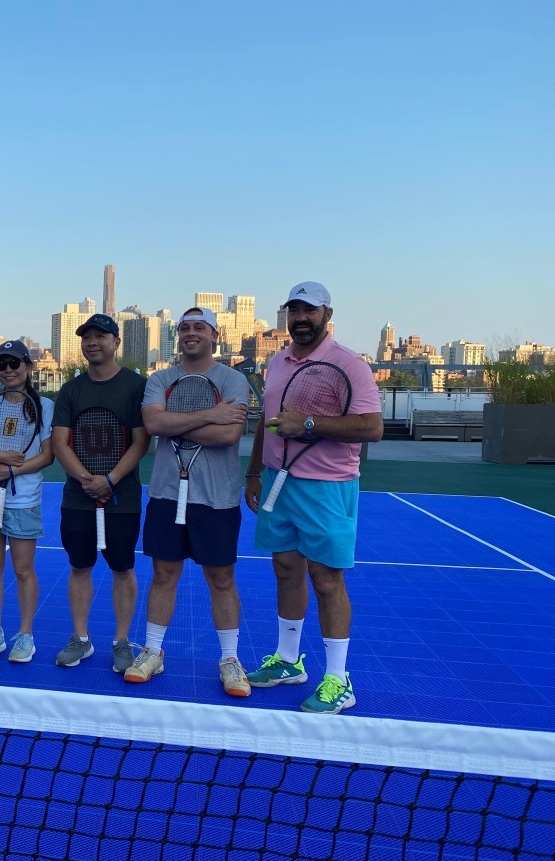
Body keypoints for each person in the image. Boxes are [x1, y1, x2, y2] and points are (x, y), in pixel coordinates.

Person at [244, 282, 383, 714]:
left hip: (326, 487)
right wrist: (254, 472)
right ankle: (288, 662)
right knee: (286, 569)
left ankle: (338, 680)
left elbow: (371, 428)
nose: (300, 317)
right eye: (294, 310)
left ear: (327, 314)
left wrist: (305, 423)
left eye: (309, 310)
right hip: (276, 481)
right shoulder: (277, 362)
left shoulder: (350, 365)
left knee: (326, 579)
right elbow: (268, 421)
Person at [125, 308, 252, 695]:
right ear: (177, 336)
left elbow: (229, 436)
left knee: (221, 579)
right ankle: (153, 652)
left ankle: (230, 659)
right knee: (164, 575)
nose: (190, 333)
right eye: (184, 328)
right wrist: (212, 414)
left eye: (200, 327)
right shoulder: (160, 379)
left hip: (217, 499)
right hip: (166, 494)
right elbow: (156, 425)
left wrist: (181, 419)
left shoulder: (234, 379)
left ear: (215, 335)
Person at [50, 313, 150, 673]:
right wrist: (86, 479)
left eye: (100, 336)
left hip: (122, 499)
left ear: (116, 342)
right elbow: (60, 443)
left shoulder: (137, 386)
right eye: (87, 337)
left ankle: (122, 642)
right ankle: (81, 639)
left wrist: (109, 480)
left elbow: (141, 442)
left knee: (123, 569)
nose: (93, 342)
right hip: (77, 499)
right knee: (79, 567)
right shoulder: (71, 390)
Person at [0, 340, 55, 663]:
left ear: (27, 367)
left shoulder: (44, 407)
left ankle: (26, 635)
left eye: (14, 364)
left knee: (23, 569)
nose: (8, 371)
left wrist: (12, 469)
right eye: (1, 365)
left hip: (24, 501)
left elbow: (47, 456)